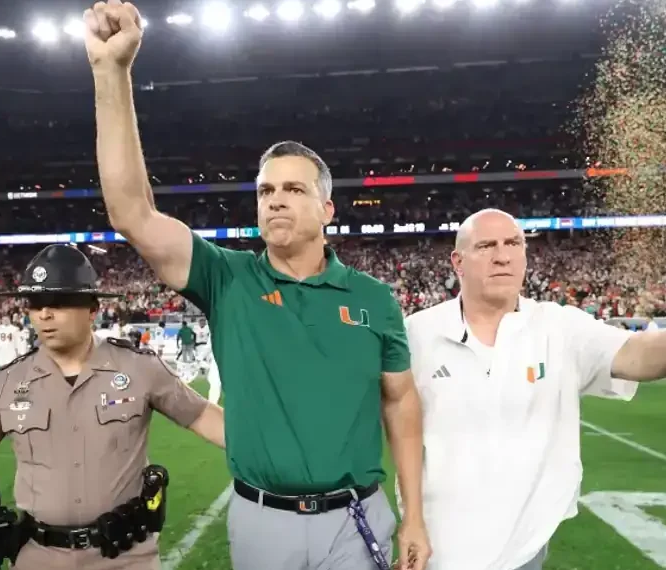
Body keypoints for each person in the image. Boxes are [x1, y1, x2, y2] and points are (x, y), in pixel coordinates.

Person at [84, 3, 431, 569]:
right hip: (262, 519)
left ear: (327, 209)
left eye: (292, 189)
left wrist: (413, 513)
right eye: (266, 190)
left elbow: (401, 403)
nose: (274, 199)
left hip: (356, 518)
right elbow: (131, 213)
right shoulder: (228, 278)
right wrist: (111, 72)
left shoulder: (375, 299)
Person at [401, 209, 666, 570]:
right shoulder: (415, 334)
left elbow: (634, 355)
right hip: (439, 540)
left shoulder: (559, 326)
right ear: (457, 261)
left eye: (513, 243)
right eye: (486, 245)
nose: (502, 255)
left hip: (524, 547)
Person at [0, 244, 225, 570]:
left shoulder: (139, 368)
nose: (45, 314)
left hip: (126, 556)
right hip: (38, 556)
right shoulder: (5, 383)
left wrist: (273, 445)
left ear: (93, 310)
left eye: (59, 302)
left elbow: (205, 418)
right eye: (35, 304)